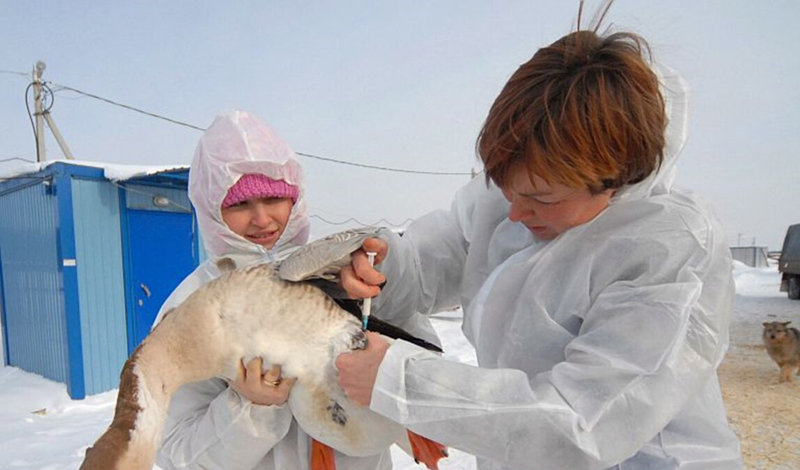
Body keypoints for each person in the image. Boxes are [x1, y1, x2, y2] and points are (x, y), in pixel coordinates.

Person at [335, 19, 744, 470]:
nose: (514, 213)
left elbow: (582, 426)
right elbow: (439, 259)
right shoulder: (515, 192)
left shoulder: (670, 249)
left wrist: (403, 382)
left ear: (614, 177)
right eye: (509, 190)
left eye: (540, 198)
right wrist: (385, 267)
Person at [153, 110, 393, 470]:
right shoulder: (193, 306)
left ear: (296, 197)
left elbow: (422, 363)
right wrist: (247, 409)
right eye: (239, 204)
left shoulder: (345, 269)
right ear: (210, 208)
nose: (262, 219)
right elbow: (176, 454)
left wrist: (390, 372)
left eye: (274, 199)